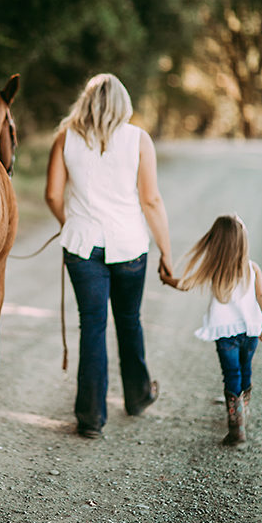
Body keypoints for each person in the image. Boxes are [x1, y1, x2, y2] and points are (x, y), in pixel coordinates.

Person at [45, 73, 173, 439]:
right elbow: (151, 200)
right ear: (124, 103)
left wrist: (72, 225)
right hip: (130, 244)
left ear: (85, 103)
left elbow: (53, 195)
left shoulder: (65, 137)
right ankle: (137, 397)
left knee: (93, 326)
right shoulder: (138, 140)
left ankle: (90, 418)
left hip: (83, 248)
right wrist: (167, 252)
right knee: (129, 320)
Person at [160, 214, 262, 445]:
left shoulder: (215, 268)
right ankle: (243, 412)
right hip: (250, 331)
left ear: (216, 242)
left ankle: (236, 427)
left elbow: (185, 285)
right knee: (246, 370)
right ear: (243, 241)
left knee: (231, 375)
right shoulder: (253, 269)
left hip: (225, 335)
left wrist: (165, 278)